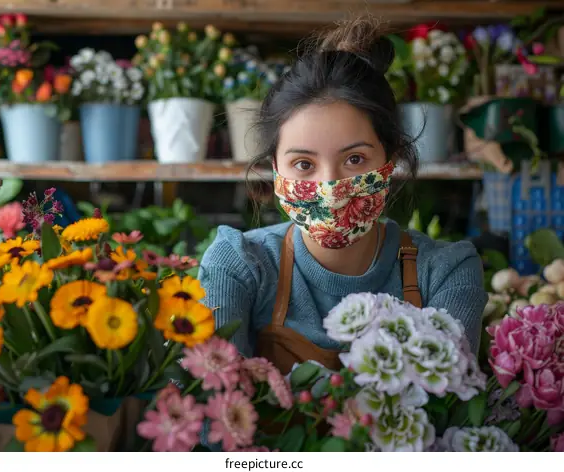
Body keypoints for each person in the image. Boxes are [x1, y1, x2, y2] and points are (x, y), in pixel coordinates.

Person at [198, 17, 487, 374]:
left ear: (390, 159)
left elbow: (450, 408)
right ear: (274, 168)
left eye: (354, 159)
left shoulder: (444, 273)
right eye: (303, 164)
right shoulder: (240, 266)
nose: (330, 187)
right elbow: (211, 404)